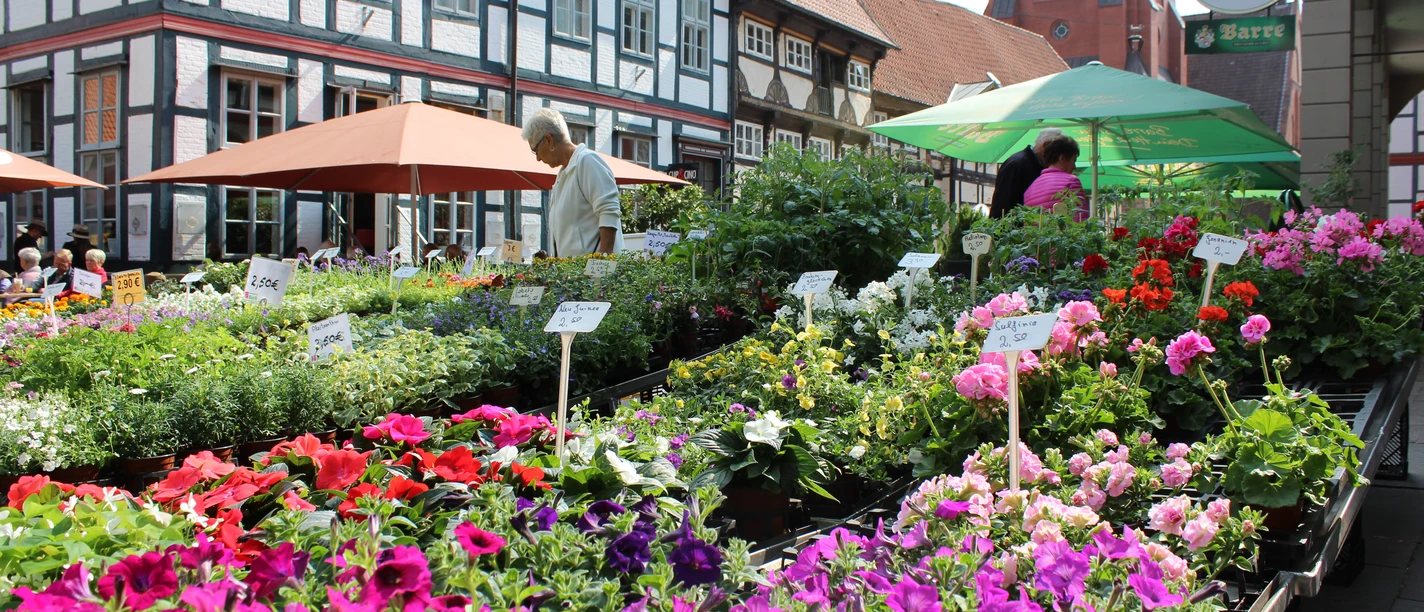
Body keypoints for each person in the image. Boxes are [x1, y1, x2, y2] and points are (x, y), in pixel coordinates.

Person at [522, 108, 623, 257]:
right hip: (577, 274)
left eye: (535, 150)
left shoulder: (587, 161)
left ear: (549, 140)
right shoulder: (564, 173)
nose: (537, 158)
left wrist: (603, 264)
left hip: (595, 275)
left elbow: (609, 210)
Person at [990, 128, 1065, 219]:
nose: (1058, 158)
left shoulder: (1031, 163)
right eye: (1057, 151)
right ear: (1045, 145)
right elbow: (1003, 204)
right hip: (1013, 228)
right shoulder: (1018, 163)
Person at [1023, 134, 1088, 221]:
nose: (1074, 167)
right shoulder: (1071, 181)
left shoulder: (1030, 189)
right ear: (1062, 158)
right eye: (1073, 160)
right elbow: (1081, 219)